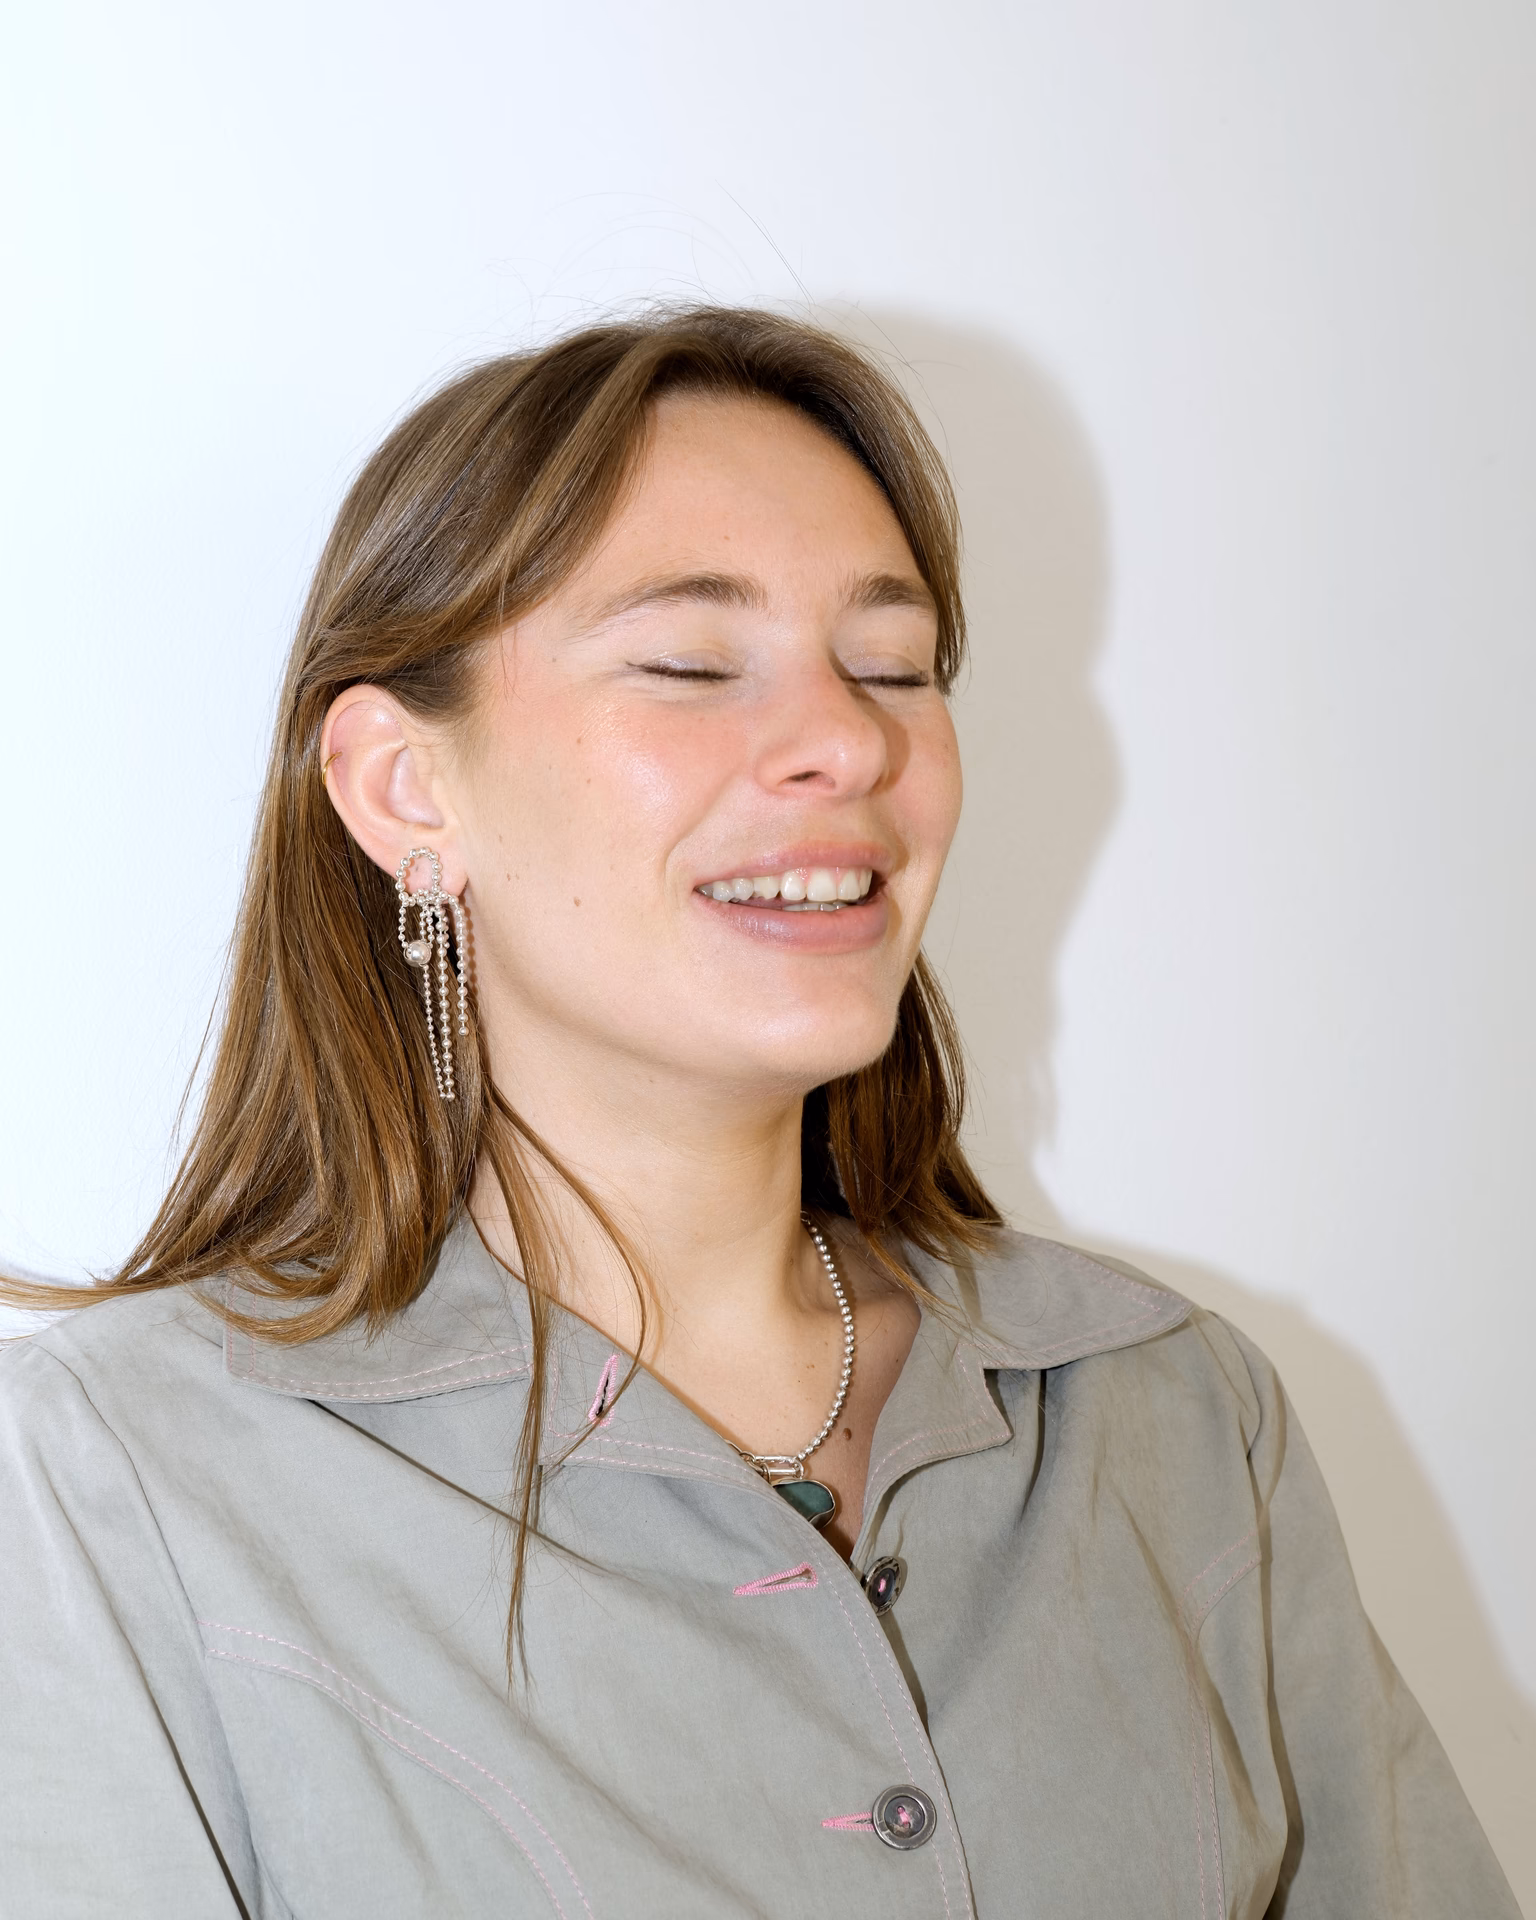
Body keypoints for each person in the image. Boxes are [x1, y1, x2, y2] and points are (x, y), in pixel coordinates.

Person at [0, 308, 1518, 1920]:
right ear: (403, 787)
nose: (852, 742)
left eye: (894, 667)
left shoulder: (1175, 1415)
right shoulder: (115, 1485)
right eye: (690, 666)